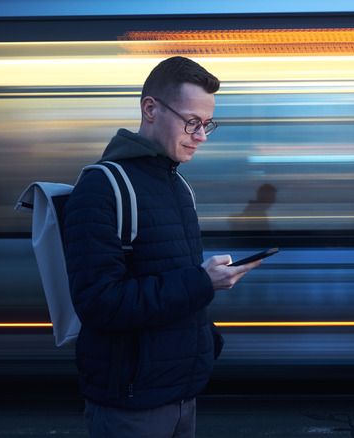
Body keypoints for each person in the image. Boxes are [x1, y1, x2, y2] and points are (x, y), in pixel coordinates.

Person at [62, 56, 261, 437]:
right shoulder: (103, 187)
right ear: (150, 109)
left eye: (206, 125)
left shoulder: (179, 187)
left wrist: (205, 338)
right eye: (191, 122)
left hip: (181, 391)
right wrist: (203, 282)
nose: (200, 136)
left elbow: (171, 281)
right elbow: (99, 302)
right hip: (131, 402)